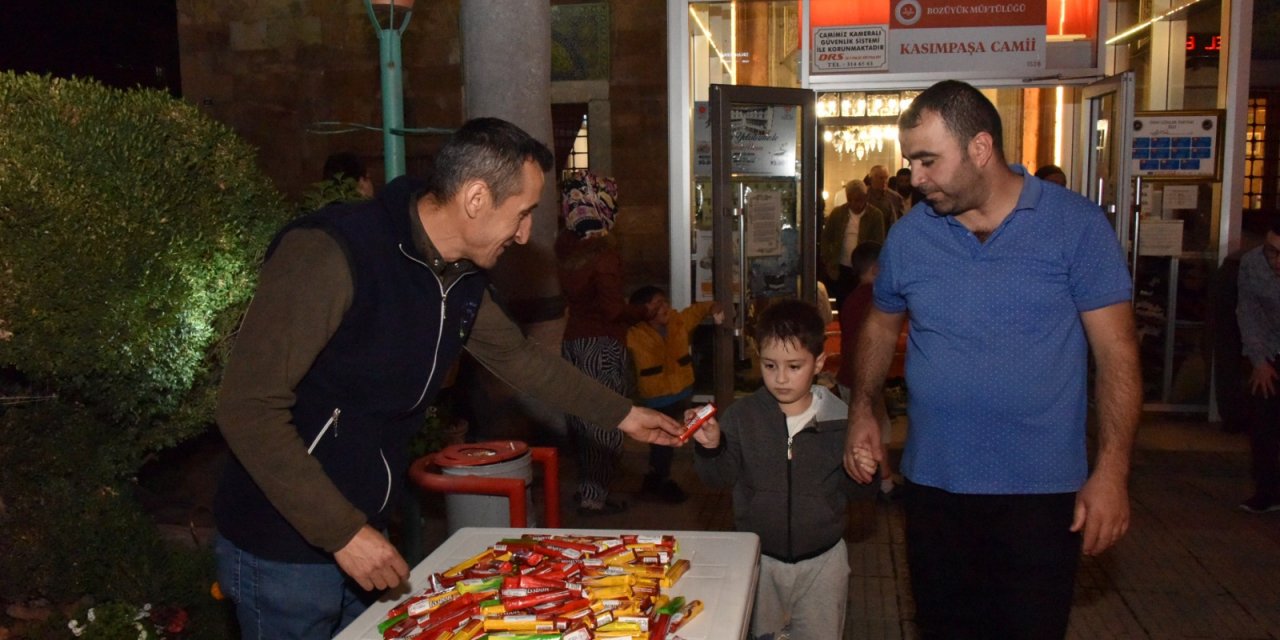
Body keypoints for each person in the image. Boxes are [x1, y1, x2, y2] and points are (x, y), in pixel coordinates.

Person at [212, 118, 684, 639]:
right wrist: (341, 532)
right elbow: (246, 407)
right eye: (522, 213)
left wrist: (624, 415)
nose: (526, 235)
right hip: (286, 546)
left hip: (363, 530)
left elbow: (523, 361)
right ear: (477, 198)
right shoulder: (331, 253)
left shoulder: (457, 275)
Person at [843, 80, 1141, 639]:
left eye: (928, 160)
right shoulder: (911, 237)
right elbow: (880, 325)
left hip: (1041, 494)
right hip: (935, 487)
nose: (917, 177)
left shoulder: (1075, 227)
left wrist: (1112, 472)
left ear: (980, 148)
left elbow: (1118, 355)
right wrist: (865, 408)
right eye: (911, 162)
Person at [692, 299, 866, 640]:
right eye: (770, 366)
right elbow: (718, 479)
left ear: (818, 362)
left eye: (794, 366)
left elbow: (860, 493)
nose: (781, 378)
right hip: (759, 559)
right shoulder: (742, 417)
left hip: (823, 562)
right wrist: (711, 447)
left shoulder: (841, 420)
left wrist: (865, 469)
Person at [555, 170, 650, 516]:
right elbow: (612, 310)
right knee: (608, 419)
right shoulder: (605, 254)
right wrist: (643, 311)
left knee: (581, 420)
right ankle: (595, 496)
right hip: (602, 346)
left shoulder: (565, 247)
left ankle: (588, 490)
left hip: (573, 344)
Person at [625, 286, 725, 504]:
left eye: (664, 301)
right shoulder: (633, 333)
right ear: (641, 310)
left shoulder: (678, 322)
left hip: (681, 391)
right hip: (656, 397)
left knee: (666, 442)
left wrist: (712, 306)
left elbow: (697, 311)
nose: (664, 307)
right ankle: (661, 481)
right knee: (664, 442)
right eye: (656, 303)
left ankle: (655, 477)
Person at [836, 241, 898, 501]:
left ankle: (877, 480)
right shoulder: (875, 300)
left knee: (862, 430)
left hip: (848, 375)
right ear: (876, 268)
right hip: (863, 379)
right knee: (877, 432)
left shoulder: (851, 299)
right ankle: (883, 484)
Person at [1235, 215, 1280, 513]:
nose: (1276, 260)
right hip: (1271, 347)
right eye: (1272, 251)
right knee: (1265, 422)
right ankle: (1267, 491)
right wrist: (1259, 360)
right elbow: (1248, 313)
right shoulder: (1253, 265)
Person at [819, 179, 890, 307]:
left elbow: (878, 242)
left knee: (863, 303)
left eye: (859, 200)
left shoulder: (875, 215)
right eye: (851, 200)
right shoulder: (837, 213)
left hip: (863, 268)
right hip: (841, 266)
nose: (855, 204)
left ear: (866, 197)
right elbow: (826, 238)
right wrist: (828, 259)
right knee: (843, 301)